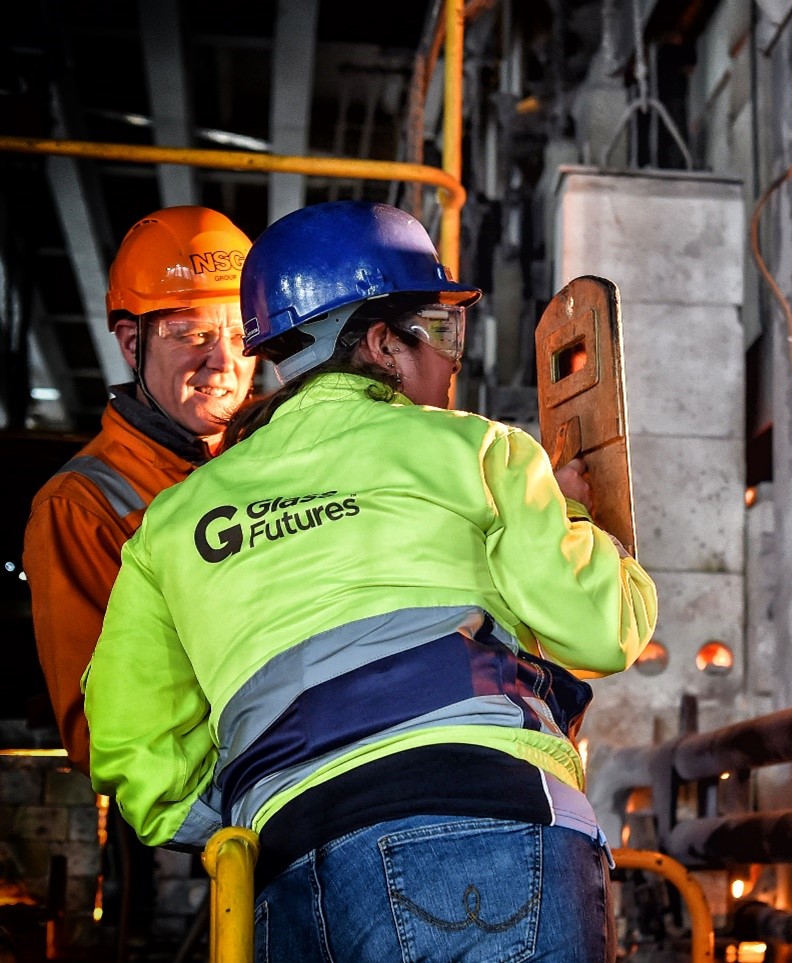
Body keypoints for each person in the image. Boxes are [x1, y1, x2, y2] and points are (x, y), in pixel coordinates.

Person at [82, 200, 658, 962]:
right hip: (484, 824)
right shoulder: (479, 450)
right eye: (442, 330)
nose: (453, 361)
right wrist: (582, 525)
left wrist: (264, 802)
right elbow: (598, 628)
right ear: (384, 344)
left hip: (284, 866)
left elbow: (130, 742)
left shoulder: (171, 524)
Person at [24, 205, 257, 775]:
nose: (223, 362)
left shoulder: (281, 454)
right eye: (195, 333)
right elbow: (98, 733)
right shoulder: (82, 507)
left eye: (240, 335)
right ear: (132, 343)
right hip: (229, 810)